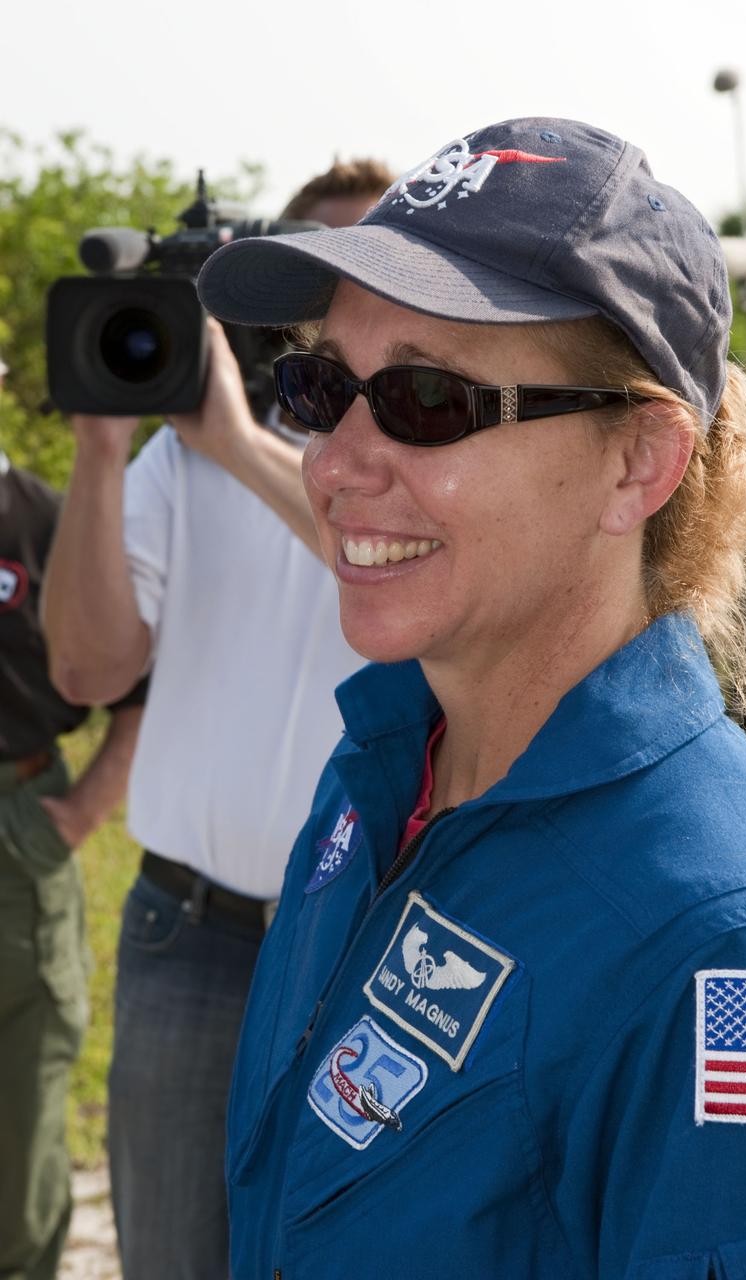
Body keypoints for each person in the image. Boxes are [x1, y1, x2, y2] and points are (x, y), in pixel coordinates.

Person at [196, 117, 746, 1279]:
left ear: (637, 461)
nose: (335, 462)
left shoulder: (741, 946)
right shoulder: (382, 770)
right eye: (320, 384)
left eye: (423, 398)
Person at [41, 163, 391, 1279]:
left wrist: (241, 445)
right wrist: (104, 448)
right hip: (188, 936)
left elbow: (370, 564)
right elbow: (88, 666)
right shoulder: (179, 454)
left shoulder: (424, 468)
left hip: (365, 940)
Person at [0, 346, 143, 1280]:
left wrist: (81, 811)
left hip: (18, 826)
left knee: (20, 1126)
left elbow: (139, 688)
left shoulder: (46, 518)